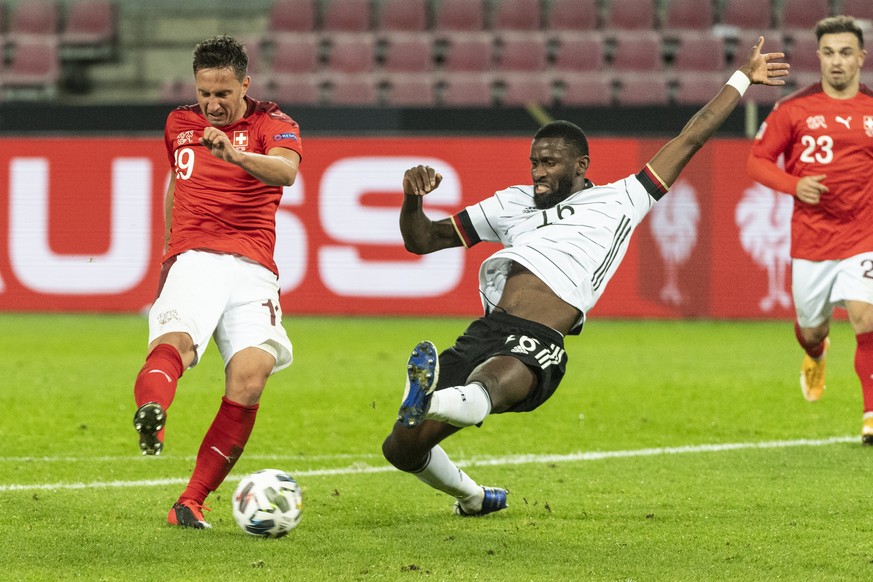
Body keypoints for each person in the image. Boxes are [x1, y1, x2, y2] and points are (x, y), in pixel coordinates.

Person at [381, 39, 789, 515]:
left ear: (581, 167)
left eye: (549, 163)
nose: (537, 172)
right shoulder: (512, 202)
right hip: (487, 329)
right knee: (400, 449)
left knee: (485, 387)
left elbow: (691, 137)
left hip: (538, 337)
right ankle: (474, 497)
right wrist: (412, 199)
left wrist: (741, 78)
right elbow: (422, 240)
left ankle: (430, 399)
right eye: (533, 161)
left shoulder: (623, 199)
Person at [131, 35, 302, 529]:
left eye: (223, 93)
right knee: (176, 346)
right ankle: (152, 412)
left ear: (245, 84)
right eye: (205, 92)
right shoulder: (179, 124)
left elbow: (286, 173)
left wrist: (233, 155)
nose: (213, 104)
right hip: (197, 257)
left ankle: (189, 501)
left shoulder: (276, 124)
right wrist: (169, 249)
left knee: (250, 379)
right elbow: (175, 182)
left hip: (253, 269)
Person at [747, 16, 873, 444]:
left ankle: (871, 415)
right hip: (812, 243)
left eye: (845, 53)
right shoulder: (794, 109)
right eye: (828, 52)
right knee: (813, 328)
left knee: (866, 316)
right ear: (818, 56)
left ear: (860, 57)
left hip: (863, 236)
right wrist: (794, 184)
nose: (837, 62)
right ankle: (816, 353)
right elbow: (758, 161)